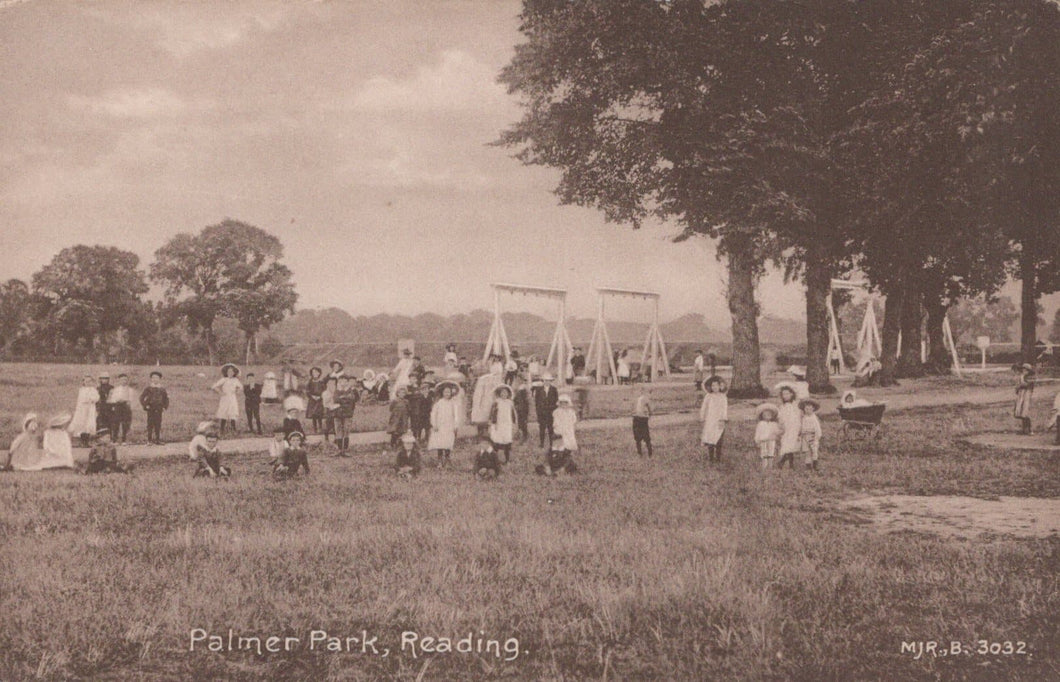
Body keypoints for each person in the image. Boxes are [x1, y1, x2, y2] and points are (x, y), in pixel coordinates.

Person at [428, 381, 462, 467]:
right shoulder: (438, 403)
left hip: (449, 426)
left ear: (451, 393)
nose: (447, 394)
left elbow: (456, 415)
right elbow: (433, 414)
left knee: (448, 443)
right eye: (445, 392)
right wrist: (434, 424)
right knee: (440, 443)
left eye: (449, 392)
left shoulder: (453, 403)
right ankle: (439, 460)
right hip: (440, 426)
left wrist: (455, 425)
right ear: (442, 393)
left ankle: (447, 459)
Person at [699, 376, 728, 463]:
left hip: (719, 419)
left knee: (719, 438)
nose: (714, 387)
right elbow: (704, 407)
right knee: (710, 438)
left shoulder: (723, 397)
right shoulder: (708, 396)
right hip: (710, 419)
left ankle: (718, 457)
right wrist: (702, 416)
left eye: (716, 385)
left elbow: (724, 408)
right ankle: (711, 458)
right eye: (713, 386)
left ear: (720, 386)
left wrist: (723, 418)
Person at [471, 364, 504, 437]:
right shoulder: (483, 379)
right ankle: (481, 432)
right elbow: (479, 392)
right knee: (482, 415)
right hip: (484, 399)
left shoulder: (497, 379)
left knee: (489, 415)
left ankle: (487, 431)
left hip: (490, 399)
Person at [775, 384, 802, 469]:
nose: (785, 396)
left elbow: (799, 415)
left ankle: (787, 463)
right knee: (788, 445)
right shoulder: (782, 407)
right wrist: (781, 426)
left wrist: (800, 427)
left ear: (792, 394)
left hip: (795, 427)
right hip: (787, 428)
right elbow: (780, 417)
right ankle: (786, 463)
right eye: (784, 394)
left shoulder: (796, 405)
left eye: (787, 394)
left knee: (793, 445)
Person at [69, 375, 100, 448]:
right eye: (86, 381)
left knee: (89, 424)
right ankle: (82, 441)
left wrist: (92, 399)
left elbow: (97, 397)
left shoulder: (94, 390)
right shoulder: (81, 390)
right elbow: (81, 400)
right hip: (82, 409)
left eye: (90, 381)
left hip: (91, 408)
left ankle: (87, 441)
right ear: (84, 382)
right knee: (82, 423)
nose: (88, 383)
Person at [212, 364, 243, 436]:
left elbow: (241, 387)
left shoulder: (236, 380)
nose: (230, 373)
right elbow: (214, 386)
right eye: (229, 372)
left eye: (232, 372)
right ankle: (222, 429)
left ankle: (233, 429)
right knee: (224, 412)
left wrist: (237, 391)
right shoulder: (224, 379)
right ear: (226, 372)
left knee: (232, 412)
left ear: (234, 373)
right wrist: (220, 392)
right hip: (225, 398)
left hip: (232, 397)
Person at [489, 384, 517, 464]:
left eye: (505, 393)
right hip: (499, 424)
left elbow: (512, 414)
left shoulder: (510, 403)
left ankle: (507, 459)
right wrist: (494, 423)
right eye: (502, 392)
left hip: (507, 424)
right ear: (499, 393)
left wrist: (514, 423)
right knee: (497, 441)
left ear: (508, 394)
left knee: (507, 441)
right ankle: (494, 459)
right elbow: (493, 413)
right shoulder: (497, 402)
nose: (504, 394)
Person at [140, 371, 169, 445]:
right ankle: (149, 440)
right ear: (151, 379)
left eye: (157, 378)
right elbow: (141, 397)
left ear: (159, 379)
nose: (155, 379)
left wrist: (165, 407)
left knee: (158, 424)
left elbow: (166, 399)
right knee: (150, 424)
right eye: (153, 378)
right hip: (151, 408)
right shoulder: (148, 388)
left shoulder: (162, 389)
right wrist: (145, 405)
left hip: (159, 408)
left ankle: (157, 439)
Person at [334, 375, 359, 455]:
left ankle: (345, 449)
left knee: (346, 429)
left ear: (348, 382)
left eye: (345, 381)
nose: (343, 383)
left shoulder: (351, 391)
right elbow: (335, 399)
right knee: (338, 429)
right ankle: (339, 449)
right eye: (341, 381)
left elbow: (352, 399)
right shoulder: (336, 391)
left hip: (348, 413)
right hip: (337, 413)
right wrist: (343, 399)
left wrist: (342, 399)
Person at [107, 373, 134, 443]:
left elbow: (131, 399)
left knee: (125, 423)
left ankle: (124, 440)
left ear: (127, 381)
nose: (123, 381)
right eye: (122, 380)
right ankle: (114, 440)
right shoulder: (115, 390)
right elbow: (112, 399)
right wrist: (117, 401)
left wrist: (126, 401)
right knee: (116, 423)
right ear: (119, 381)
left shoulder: (130, 390)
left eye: (125, 380)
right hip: (118, 406)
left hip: (126, 406)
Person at [534, 373, 559, 448]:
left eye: (549, 380)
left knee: (550, 428)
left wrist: (554, 411)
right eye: (545, 380)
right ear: (543, 381)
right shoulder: (539, 390)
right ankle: (541, 443)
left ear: (551, 381)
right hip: (542, 412)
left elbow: (556, 401)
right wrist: (538, 412)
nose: (547, 382)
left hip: (551, 412)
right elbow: (537, 402)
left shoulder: (554, 389)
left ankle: (552, 443)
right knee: (542, 428)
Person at [754, 404, 782, 470]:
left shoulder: (774, 424)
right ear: (762, 416)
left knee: (771, 453)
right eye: (765, 414)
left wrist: (779, 433)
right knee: (764, 453)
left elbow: (777, 432)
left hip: (771, 440)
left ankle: (770, 466)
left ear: (772, 416)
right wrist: (757, 441)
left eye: (769, 414)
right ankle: (764, 466)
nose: (767, 416)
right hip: (763, 440)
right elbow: (758, 433)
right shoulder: (761, 424)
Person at [799, 399, 823, 471]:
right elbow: (802, 427)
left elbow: (817, 429)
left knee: (814, 451)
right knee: (807, 452)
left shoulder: (814, 418)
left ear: (813, 409)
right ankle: (808, 466)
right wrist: (801, 434)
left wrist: (816, 437)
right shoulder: (804, 418)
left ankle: (815, 465)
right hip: (805, 437)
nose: (808, 410)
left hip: (813, 436)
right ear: (804, 409)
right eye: (806, 409)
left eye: (810, 409)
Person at [1013, 363, 1035, 435]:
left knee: (1025, 412)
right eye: (1023, 369)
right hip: (1021, 395)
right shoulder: (1022, 376)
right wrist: (1017, 389)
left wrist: (1019, 386)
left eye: (1026, 369)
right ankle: (1024, 429)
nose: (1024, 370)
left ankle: (1029, 429)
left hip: (1026, 395)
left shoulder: (1030, 377)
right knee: (1021, 411)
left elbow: (1027, 385)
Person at [305, 366, 327, 435]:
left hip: (320, 400)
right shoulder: (310, 382)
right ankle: (315, 429)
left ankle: (320, 427)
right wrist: (312, 396)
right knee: (313, 415)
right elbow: (307, 391)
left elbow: (324, 390)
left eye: (316, 372)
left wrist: (320, 396)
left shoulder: (321, 382)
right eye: (313, 372)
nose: (315, 374)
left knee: (319, 414)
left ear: (319, 373)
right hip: (312, 400)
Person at [632, 385, 653, 457]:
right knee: (646, 435)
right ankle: (649, 452)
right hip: (642, 418)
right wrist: (650, 414)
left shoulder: (637, 398)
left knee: (638, 436)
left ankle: (640, 452)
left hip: (637, 418)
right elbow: (650, 409)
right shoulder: (645, 398)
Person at [513, 378, 531, 444]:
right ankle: (520, 434)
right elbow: (515, 400)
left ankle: (525, 435)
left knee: (523, 422)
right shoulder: (518, 391)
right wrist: (516, 406)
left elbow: (528, 401)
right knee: (519, 422)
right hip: (519, 409)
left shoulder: (525, 390)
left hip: (524, 409)